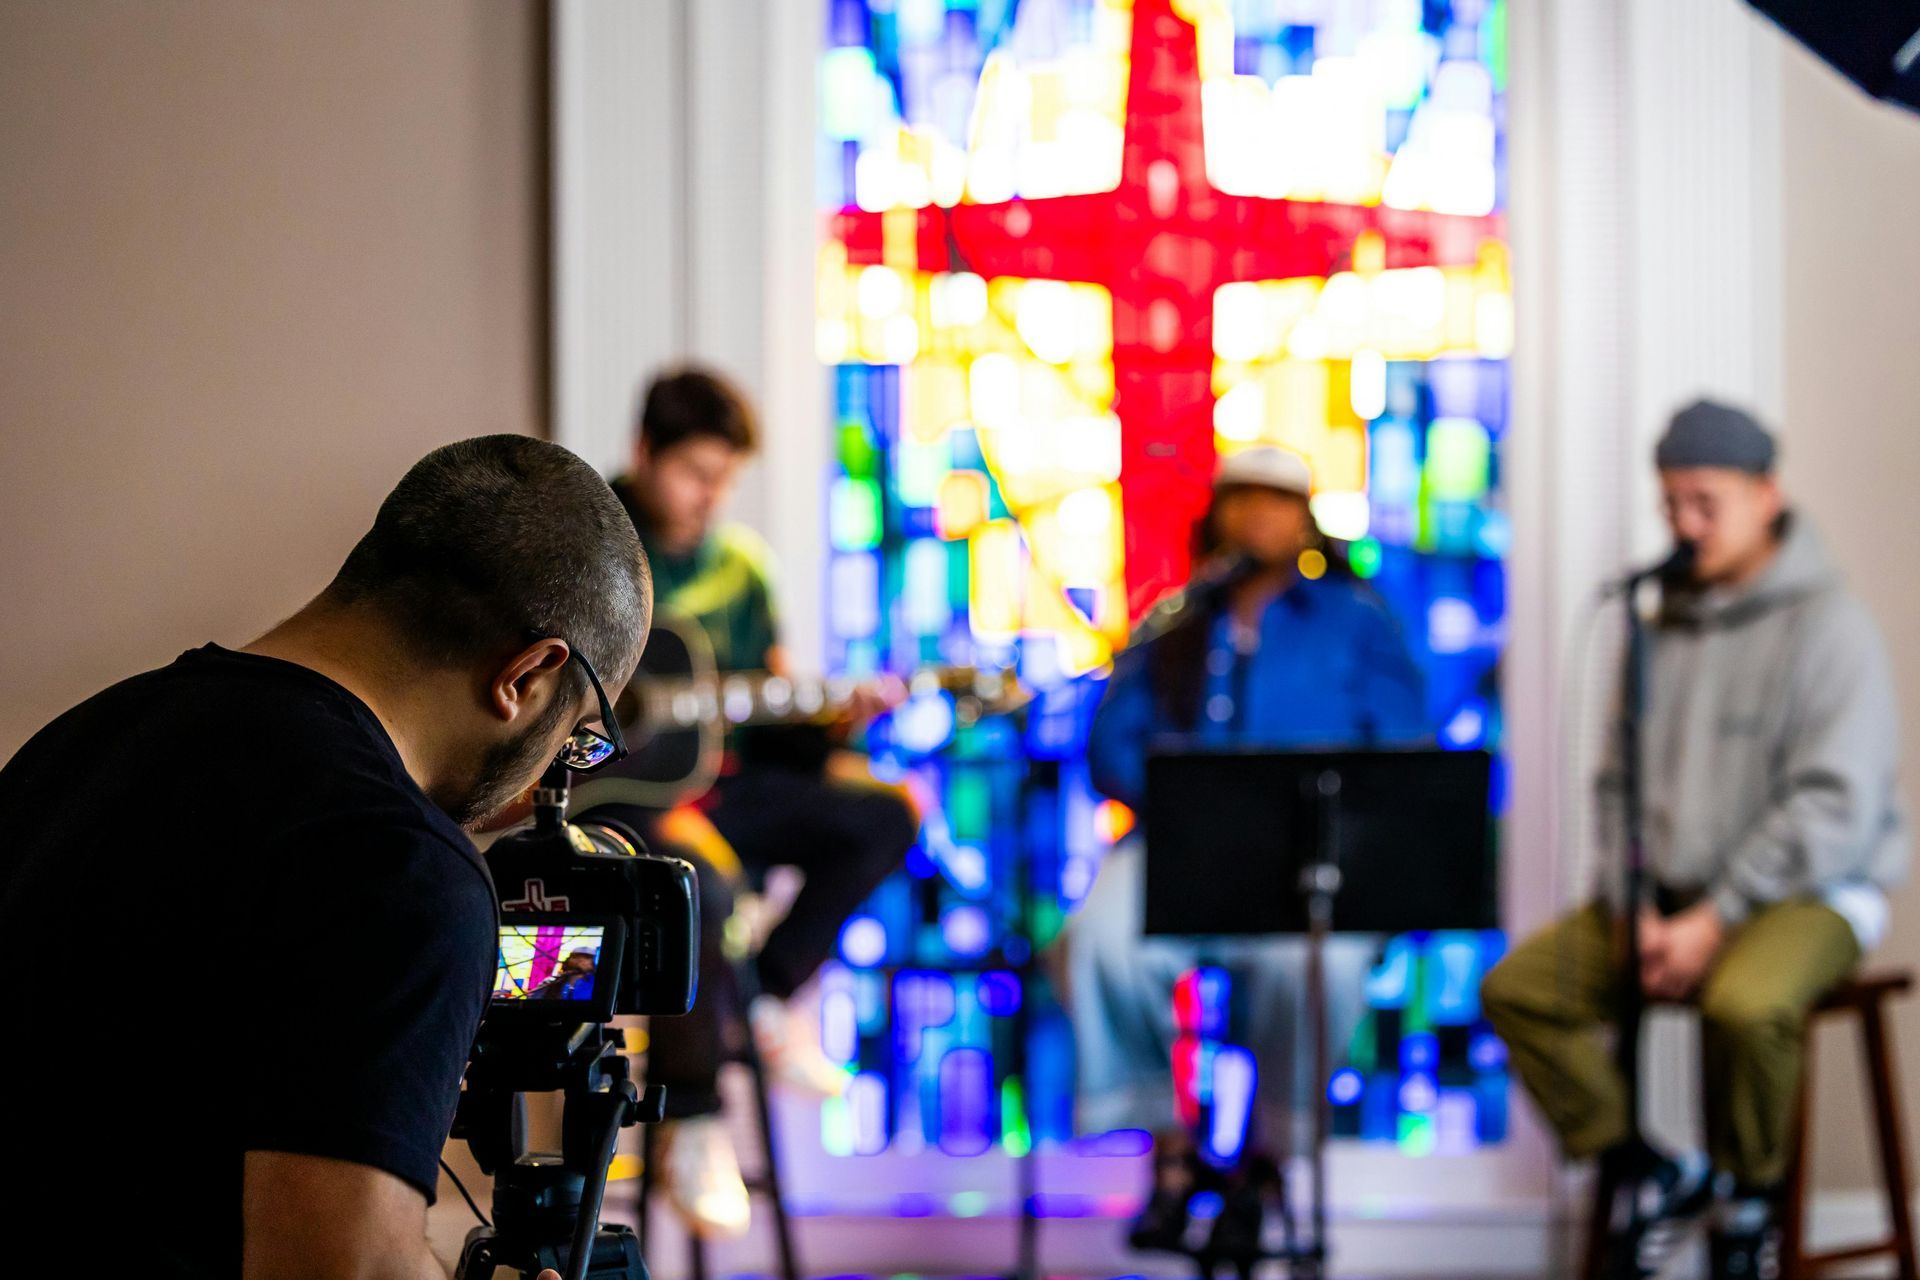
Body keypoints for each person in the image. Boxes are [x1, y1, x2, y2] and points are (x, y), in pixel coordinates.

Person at [0, 436, 651, 1279]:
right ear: (527, 676)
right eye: (576, 739)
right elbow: (340, 1267)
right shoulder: (405, 867)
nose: (551, 772)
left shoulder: (74, 744)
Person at [1480, 400, 1907, 1280]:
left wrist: (1716, 918)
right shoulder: (1655, 626)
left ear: (1766, 495)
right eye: (1672, 504)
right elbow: (1615, 788)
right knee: (1523, 988)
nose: (1685, 525)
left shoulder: (1831, 627)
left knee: (1745, 1005)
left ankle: (1750, 1202)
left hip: (1807, 890)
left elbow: (1833, 803)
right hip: (1665, 896)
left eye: (1706, 503)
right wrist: (1632, 903)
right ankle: (1649, 1165)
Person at [1070, 445, 1428, 1256]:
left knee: (1313, 967)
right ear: (1219, 515)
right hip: (1181, 846)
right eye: (1242, 501)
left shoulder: (1354, 621)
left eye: (1276, 503)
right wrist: (1180, 796)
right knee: (1100, 943)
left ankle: (1264, 1160)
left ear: (1305, 520)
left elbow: (1404, 746)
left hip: (1308, 857)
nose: (1258, 519)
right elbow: (1110, 748)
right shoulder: (1174, 619)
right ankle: (1168, 1151)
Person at [597, 366, 918, 1239]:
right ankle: (693, 1119)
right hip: (618, 804)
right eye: (694, 473)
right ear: (644, 453)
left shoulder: (740, 568)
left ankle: (764, 997)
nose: (710, 497)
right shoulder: (587, 545)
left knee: (884, 814)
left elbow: (768, 710)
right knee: (693, 876)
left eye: (724, 479)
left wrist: (832, 723)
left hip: (727, 785)